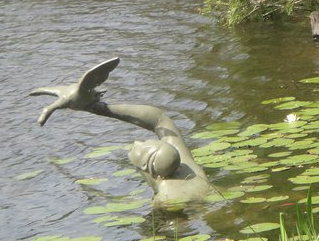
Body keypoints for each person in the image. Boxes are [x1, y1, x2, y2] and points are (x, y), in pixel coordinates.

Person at [29, 58, 213, 206]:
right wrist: (97, 108)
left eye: (141, 149)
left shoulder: (167, 199)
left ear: (147, 169)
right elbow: (159, 119)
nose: (137, 143)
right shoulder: (189, 168)